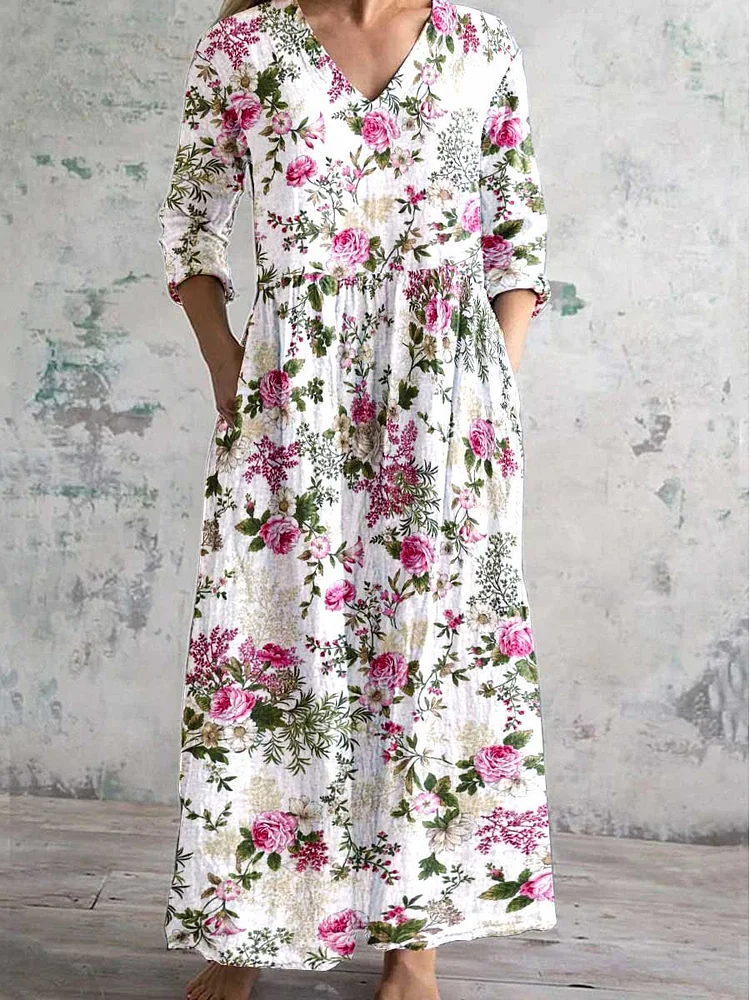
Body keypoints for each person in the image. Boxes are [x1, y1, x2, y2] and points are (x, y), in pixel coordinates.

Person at [157, 1, 557, 997]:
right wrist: (229, 369)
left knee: (431, 649)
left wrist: (494, 384)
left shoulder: (479, 45)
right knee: (275, 645)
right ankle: (246, 928)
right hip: (294, 386)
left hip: (449, 399)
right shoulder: (245, 47)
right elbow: (192, 222)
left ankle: (413, 938)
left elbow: (515, 232)